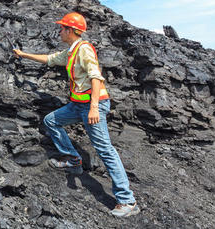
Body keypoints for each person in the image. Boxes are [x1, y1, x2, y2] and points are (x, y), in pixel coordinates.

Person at [12, 12, 140, 218]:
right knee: (51, 121)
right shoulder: (71, 52)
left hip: (92, 104)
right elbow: (49, 59)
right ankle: (73, 159)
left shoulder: (84, 49)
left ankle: (127, 201)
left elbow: (96, 77)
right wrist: (23, 54)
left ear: (71, 30)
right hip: (77, 105)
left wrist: (94, 108)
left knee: (105, 149)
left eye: (62, 28)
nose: (59, 31)